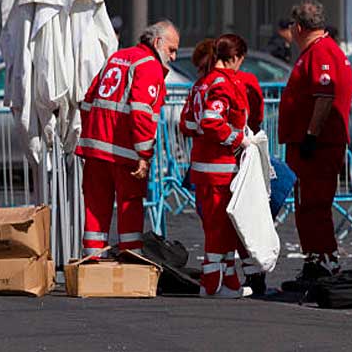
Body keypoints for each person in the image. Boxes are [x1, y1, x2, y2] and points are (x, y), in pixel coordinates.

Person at [76, 20, 179, 257]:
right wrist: (144, 154)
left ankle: (92, 263)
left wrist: (91, 136)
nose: (173, 57)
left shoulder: (116, 57)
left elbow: (88, 100)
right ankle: (131, 263)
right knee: (130, 206)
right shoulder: (149, 65)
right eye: (171, 50)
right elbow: (141, 113)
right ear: (157, 42)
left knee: (95, 208)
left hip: (95, 149)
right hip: (124, 151)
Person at [278, 0, 352, 290]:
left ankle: (324, 261)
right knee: (307, 205)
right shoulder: (318, 51)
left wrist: (311, 135)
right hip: (312, 144)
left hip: (317, 146)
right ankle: (314, 260)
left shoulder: (320, 52)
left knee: (314, 205)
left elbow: (324, 97)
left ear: (298, 27)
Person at [186, 34, 253, 298]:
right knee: (218, 228)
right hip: (219, 168)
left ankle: (229, 281)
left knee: (219, 226)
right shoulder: (222, 84)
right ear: (234, 58)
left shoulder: (200, 84)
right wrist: (239, 139)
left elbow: (189, 123)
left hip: (203, 166)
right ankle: (212, 283)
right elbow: (212, 122)